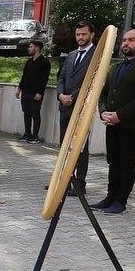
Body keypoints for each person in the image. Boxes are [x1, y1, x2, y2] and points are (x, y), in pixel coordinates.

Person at [91, 29, 135, 215]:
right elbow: (105, 92)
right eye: (123, 40)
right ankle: (110, 197)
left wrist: (120, 115)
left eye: (131, 40)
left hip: (132, 125)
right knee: (113, 161)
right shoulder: (118, 66)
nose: (125, 43)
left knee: (126, 163)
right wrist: (103, 111)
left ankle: (120, 200)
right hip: (112, 123)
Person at [57, 21, 96, 188]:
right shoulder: (71, 55)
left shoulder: (96, 55)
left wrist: (72, 97)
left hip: (81, 108)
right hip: (64, 106)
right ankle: (63, 180)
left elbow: (92, 81)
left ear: (91, 35)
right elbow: (61, 77)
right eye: (78, 34)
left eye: (84, 34)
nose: (80, 37)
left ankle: (79, 182)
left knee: (80, 146)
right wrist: (60, 95)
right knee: (64, 144)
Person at [16, 40, 50, 144]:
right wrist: (19, 88)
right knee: (26, 113)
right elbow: (24, 76)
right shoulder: (29, 61)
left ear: (37, 48)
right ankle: (27, 134)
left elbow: (44, 79)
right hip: (26, 91)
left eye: (31, 47)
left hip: (35, 93)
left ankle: (35, 136)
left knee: (35, 114)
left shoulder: (45, 62)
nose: (29, 49)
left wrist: (40, 92)